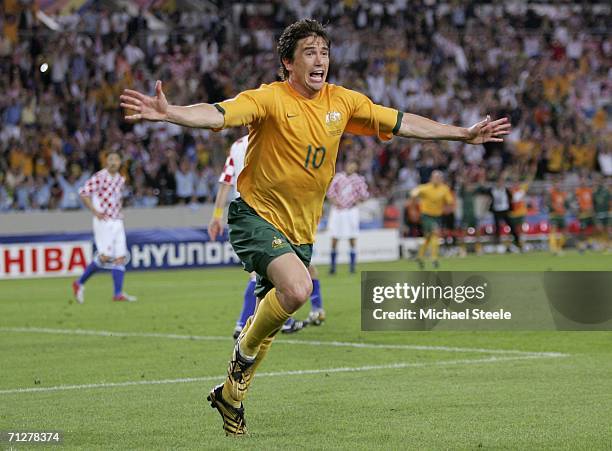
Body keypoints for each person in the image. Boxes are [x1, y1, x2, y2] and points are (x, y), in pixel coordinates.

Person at [120, 19, 510, 436]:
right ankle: (240, 360)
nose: (320, 59)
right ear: (288, 63)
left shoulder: (342, 102)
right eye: (309, 52)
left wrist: (462, 135)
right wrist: (171, 112)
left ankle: (231, 395)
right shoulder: (269, 98)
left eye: (324, 51)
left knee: (274, 317)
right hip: (255, 216)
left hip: (300, 231)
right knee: (299, 288)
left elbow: (401, 122)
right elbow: (219, 114)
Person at [208, 135, 324, 338]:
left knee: (270, 272)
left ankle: (278, 321)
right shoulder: (275, 137)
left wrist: (217, 216)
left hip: (243, 215)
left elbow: (226, 181)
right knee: (279, 271)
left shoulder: (236, 145)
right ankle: (244, 323)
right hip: (270, 212)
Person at [72, 150, 137, 303]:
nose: (113, 162)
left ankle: (118, 293)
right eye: (110, 159)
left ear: (120, 162)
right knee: (105, 256)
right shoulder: (100, 177)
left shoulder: (121, 179)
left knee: (120, 257)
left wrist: (119, 210)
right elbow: (83, 193)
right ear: (106, 162)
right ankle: (79, 283)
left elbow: (117, 197)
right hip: (104, 221)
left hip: (117, 220)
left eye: (116, 159)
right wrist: (95, 211)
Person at [326, 160, 369, 274]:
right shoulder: (338, 177)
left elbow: (364, 195)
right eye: (350, 165)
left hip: (351, 211)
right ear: (346, 165)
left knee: (352, 237)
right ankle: (333, 267)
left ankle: (352, 267)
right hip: (338, 211)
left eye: (354, 166)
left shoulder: (358, 180)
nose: (351, 167)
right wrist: (335, 202)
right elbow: (330, 193)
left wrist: (357, 200)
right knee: (334, 237)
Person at [410, 170, 454, 269]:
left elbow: (450, 202)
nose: (437, 179)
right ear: (431, 178)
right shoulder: (425, 188)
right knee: (436, 232)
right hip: (426, 216)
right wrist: (413, 208)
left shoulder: (444, 189)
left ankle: (420, 257)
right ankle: (434, 258)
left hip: (437, 216)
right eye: (435, 177)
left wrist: (447, 209)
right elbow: (413, 193)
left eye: (438, 177)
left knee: (429, 237)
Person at [548, 177, 569, 256]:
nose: (558, 185)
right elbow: (548, 203)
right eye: (557, 184)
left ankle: (560, 247)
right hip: (554, 215)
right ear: (554, 185)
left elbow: (566, 204)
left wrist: (566, 208)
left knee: (565, 232)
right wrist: (553, 207)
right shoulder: (551, 193)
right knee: (553, 230)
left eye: (559, 184)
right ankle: (553, 248)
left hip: (561, 215)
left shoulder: (563, 194)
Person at [574, 175, 595, 253]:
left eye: (584, 180)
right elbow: (576, 203)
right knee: (582, 231)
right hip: (582, 215)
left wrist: (592, 209)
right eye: (582, 181)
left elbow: (591, 202)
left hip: (589, 214)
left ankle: (588, 244)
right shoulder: (578, 191)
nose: (583, 182)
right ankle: (580, 246)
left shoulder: (589, 190)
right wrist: (578, 211)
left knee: (590, 230)